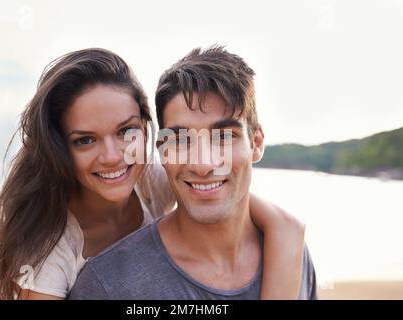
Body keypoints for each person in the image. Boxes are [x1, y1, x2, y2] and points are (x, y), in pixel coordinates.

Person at [0, 48, 305, 300]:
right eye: (85, 140)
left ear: (148, 132)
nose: (113, 156)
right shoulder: (49, 249)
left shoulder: (151, 181)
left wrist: (287, 232)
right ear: (62, 148)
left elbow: (226, 191)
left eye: (126, 131)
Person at [68, 46, 317, 300]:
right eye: (181, 140)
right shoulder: (106, 287)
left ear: (256, 143)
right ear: (162, 152)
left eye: (223, 136)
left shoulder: (292, 255)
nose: (203, 164)